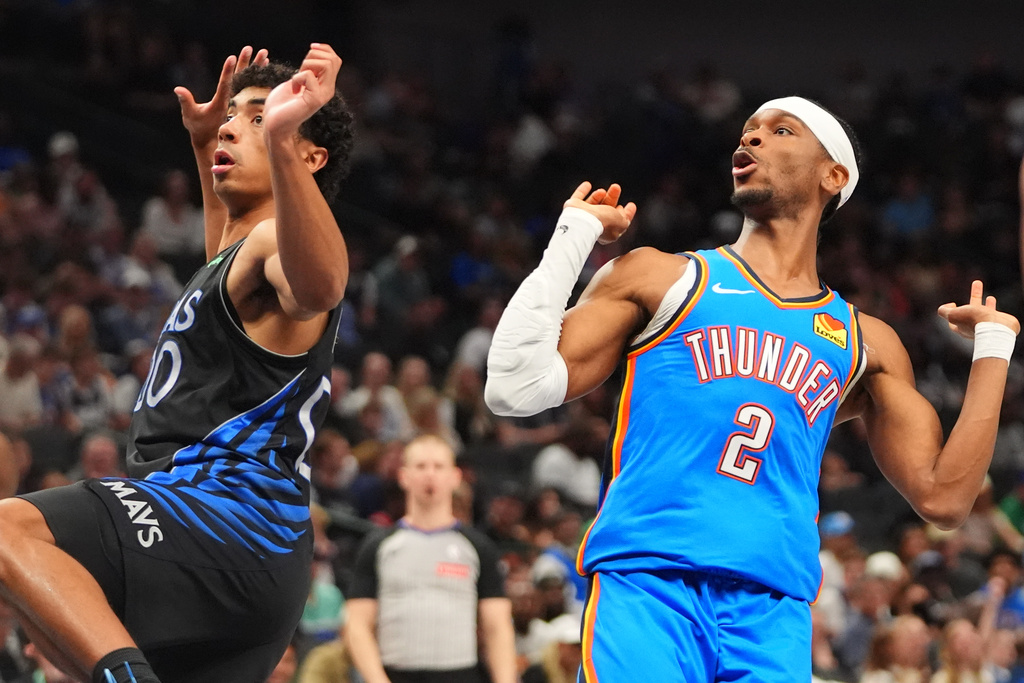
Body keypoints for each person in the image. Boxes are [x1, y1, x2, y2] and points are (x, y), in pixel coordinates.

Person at [485, 96, 1020, 682]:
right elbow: (515, 386)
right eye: (748, 131)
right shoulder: (663, 276)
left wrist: (993, 351)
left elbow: (944, 499)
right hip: (649, 588)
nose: (753, 139)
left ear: (832, 176)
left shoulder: (863, 341)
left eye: (780, 130)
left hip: (773, 611)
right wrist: (575, 232)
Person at [0, 42, 353, 683]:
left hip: (222, 519)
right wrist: (202, 145)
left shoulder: (280, 245)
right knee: (56, 634)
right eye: (232, 119)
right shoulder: (239, 250)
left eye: (257, 116)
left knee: (7, 533)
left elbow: (322, 288)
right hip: (241, 554)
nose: (230, 126)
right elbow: (224, 237)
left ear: (309, 154)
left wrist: (275, 137)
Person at [345, 434, 517, 683]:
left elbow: (498, 628)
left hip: (460, 675)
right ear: (403, 476)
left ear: (455, 477)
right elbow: (357, 625)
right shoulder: (378, 546)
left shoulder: (478, 547)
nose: (429, 475)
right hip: (394, 673)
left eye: (438, 467)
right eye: (421, 466)